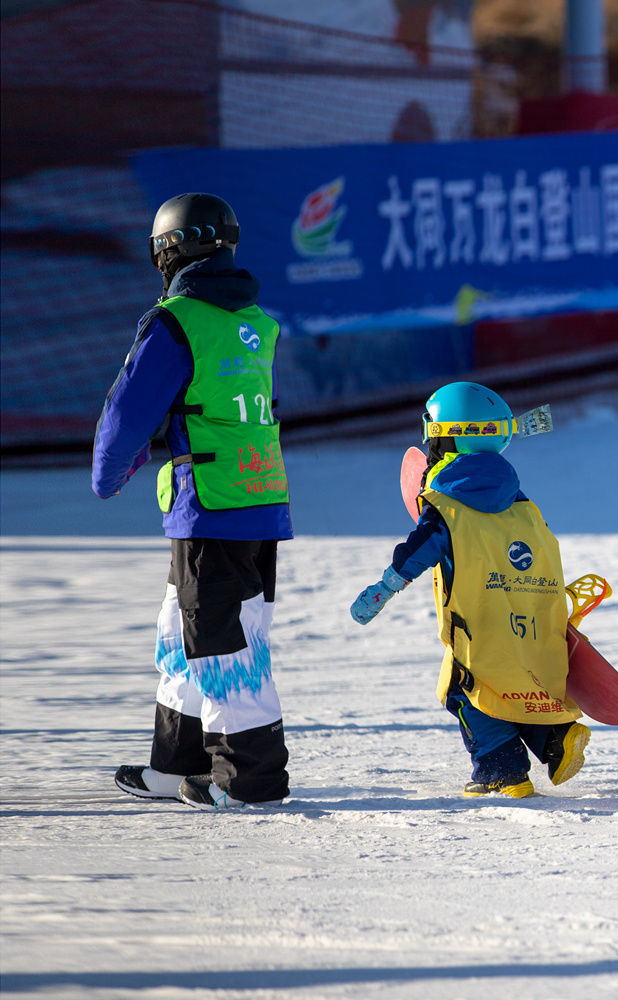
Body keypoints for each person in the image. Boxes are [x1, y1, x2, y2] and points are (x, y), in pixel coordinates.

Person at [94, 192, 293, 811]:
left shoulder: (177, 321)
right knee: (182, 633)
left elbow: (129, 411)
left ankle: (250, 780)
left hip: (210, 508)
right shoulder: (255, 321)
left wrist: (109, 470)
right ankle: (173, 764)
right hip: (256, 501)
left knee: (226, 645)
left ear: (169, 249)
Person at [348, 382, 589, 798]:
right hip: (531, 622)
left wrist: (382, 590)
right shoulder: (522, 502)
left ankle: (502, 771)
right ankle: (556, 738)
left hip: (479, 629)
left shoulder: (446, 505)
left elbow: (418, 551)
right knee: (523, 682)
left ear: (447, 435)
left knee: (465, 690)